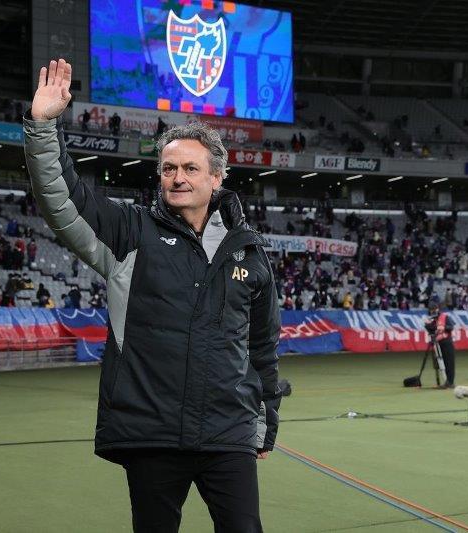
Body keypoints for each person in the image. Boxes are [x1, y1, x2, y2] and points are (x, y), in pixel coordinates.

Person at [25, 59, 280, 532]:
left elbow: (261, 346)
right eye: (168, 168)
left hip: (229, 432)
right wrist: (44, 126)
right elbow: (63, 200)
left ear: (216, 178)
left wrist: (266, 419)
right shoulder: (130, 232)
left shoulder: (250, 252)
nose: (177, 177)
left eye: (190, 168)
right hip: (152, 433)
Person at [424, 302, 456, 388]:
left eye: (434, 309)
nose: (433, 311)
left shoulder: (445, 317)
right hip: (438, 343)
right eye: (431, 310)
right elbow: (431, 330)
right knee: (441, 363)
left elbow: (451, 327)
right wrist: (427, 325)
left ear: (437, 309)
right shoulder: (434, 320)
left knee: (449, 362)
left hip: (447, 342)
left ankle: (450, 382)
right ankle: (447, 381)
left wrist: (444, 327)